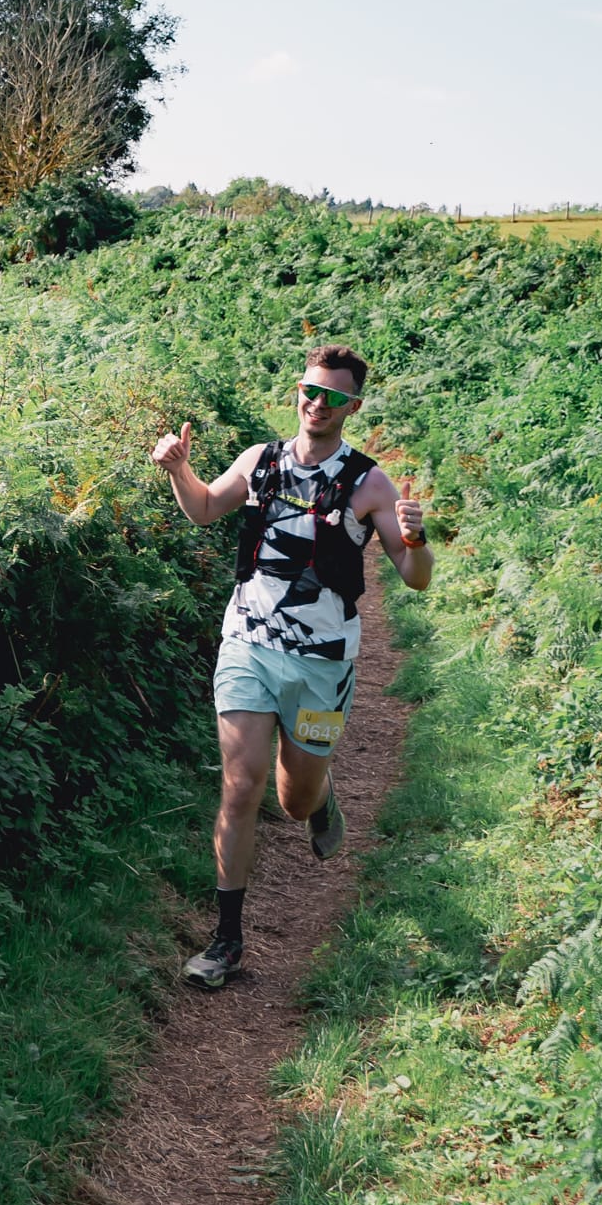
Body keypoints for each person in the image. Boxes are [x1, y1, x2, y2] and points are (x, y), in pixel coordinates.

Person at [149, 344, 428, 989]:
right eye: (310, 389)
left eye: (332, 395)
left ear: (352, 407)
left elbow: (412, 579)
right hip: (246, 642)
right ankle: (225, 940)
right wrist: (178, 469)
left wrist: (416, 537)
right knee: (241, 786)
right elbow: (203, 508)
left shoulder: (370, 483)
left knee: (294, 801)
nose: (317, 402)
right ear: (298, 391)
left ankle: (320, 791)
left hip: (323, 663)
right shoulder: (260, 460)